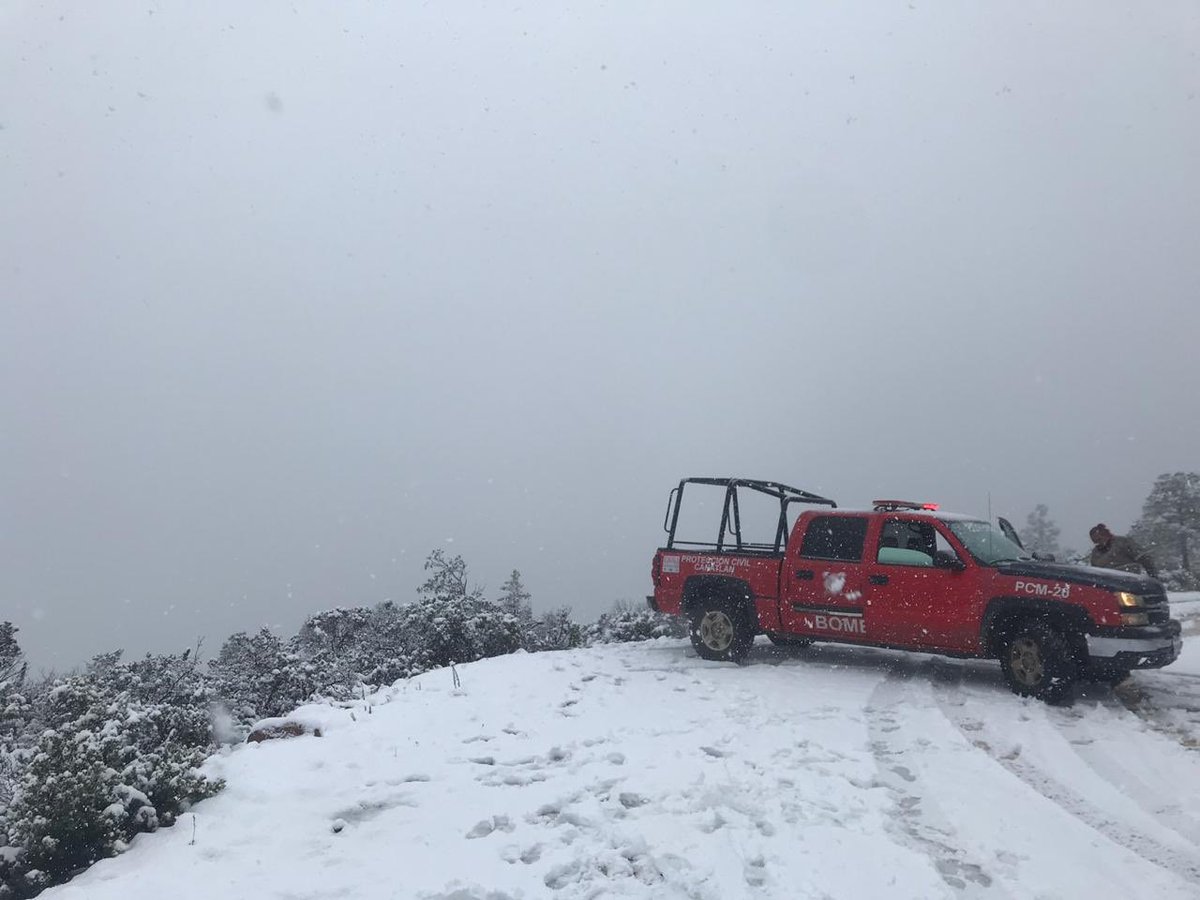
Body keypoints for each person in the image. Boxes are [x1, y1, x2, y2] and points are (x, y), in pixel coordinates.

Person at [1088, 524, 1159, 578]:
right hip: (1109, 585)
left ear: (1106, 535)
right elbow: (1095, 572)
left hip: (1130, 579)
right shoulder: (1095, 554)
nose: (1098, 543)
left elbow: (1143, 558)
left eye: (1099, 539)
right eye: (1095, 541)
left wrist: (1153, 575)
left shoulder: (1122, 542)